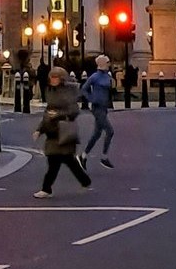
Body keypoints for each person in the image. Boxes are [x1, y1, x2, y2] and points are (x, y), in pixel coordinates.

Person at [34, 67, 91, 197]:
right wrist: (39, 129)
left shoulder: (68, 91)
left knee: (56, 161)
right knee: (65, 160)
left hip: (63, 130)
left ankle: (46, 189)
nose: (53, 80)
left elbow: (74, 111)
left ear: (62, 79)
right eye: (52, 77)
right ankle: (85, 180)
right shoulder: (49, 91)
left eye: (56, 77)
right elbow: (47, 112)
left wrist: (58, 114)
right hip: (52, 130)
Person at [80, 55, 117, 167]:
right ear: (102, 63)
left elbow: (111, 90)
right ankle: (104, 157)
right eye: (107, 62)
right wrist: (91, 98)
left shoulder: (107, 76)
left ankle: (83, 155)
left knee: (97, 134)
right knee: (110, 131)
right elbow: (84, 89)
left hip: (104, 107)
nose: (109, 64)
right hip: (97, 108)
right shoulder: (94, 77)